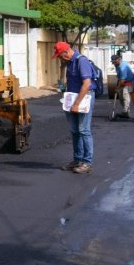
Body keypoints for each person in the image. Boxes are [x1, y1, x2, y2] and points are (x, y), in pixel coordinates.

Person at [53, 41, 96, 174]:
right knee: (74, 130)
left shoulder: (81, 61)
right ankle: (77, 160)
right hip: (72, 98)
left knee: (84, 130)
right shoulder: (70, 62)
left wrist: (77, 104)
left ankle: (87, 162)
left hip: (83, 98)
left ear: (66, 52)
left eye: (60, 55)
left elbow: (87, 84)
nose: (60, 58)